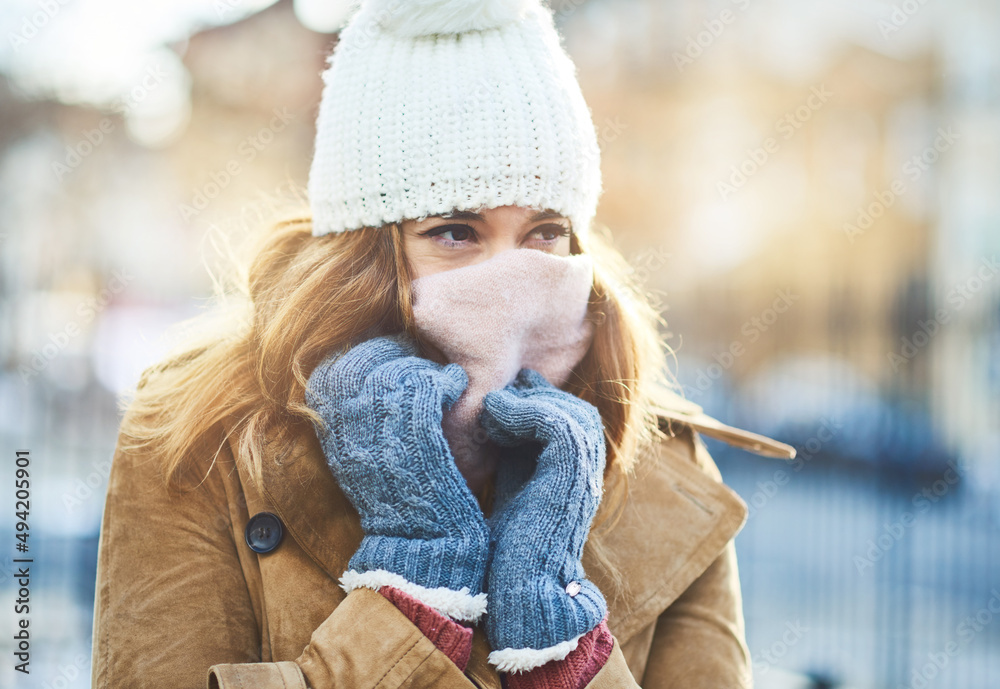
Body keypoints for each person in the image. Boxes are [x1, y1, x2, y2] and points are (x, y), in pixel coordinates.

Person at [89, 1, 795, 687]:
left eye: (545, 231)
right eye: (456, 231)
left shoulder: (665, 470)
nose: (511, 279)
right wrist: (411, 598)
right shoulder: (200, 440)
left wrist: (560, 650)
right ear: (363, 251)